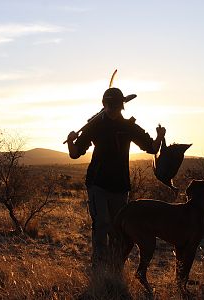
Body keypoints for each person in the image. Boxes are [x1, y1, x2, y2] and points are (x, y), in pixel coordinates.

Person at [66, 87, 166, 268]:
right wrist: (71, 141)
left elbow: (151, 147)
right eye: (110, 106)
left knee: (117, 228)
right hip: (97, 183)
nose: (112, 110)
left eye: (116, 106)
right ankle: (99, 266)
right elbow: (75, 154)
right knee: (102, 223)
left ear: (121, 107)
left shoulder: (128, 127)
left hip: (120, 186)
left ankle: (114, 267)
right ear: (104, 105)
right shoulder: (94, 125)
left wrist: (159, 137)